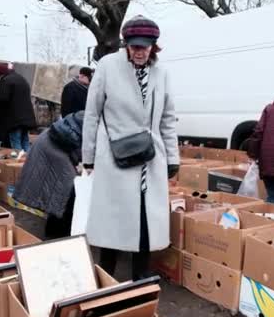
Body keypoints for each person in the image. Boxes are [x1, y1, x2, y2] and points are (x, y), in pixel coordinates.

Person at [82, 15, 180, 280]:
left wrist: (172, 158)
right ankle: (105, 283)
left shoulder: (162, 73)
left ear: (154, 46)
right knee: (112, 226)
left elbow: (168, 119)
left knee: (145, 226)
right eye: (134, 46)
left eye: (144, 46)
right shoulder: (107, 66)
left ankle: (139, 285)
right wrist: (88, 157)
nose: (139, 51)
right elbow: (92, 114)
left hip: (150, 159)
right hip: (115, 156)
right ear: (125, 44)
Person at [13, 112, 84, 238]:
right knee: (64, 194)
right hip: (53, 148)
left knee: (60, 194)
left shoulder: (96, 115)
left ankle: (56, 233)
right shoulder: (101, 122)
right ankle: (57, 237)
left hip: (51, 143)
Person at [0, 63, 37, 152]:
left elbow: (3, 99)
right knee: (25, 142)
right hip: (27, 118)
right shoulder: (21, 78)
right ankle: (28, 162)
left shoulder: (6, 80)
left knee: (16, 144)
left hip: (14, 119)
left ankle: (18, 164)